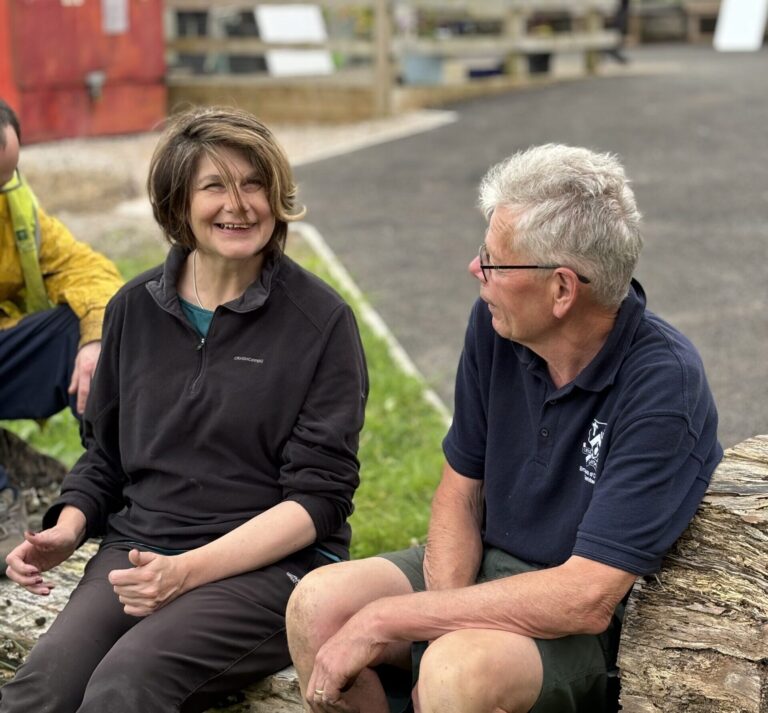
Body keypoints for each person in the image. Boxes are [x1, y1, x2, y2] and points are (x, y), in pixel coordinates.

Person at [286, 143, 722, 713]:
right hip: (486, 567)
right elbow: (459, 493)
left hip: (585, 628)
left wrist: (395, 621)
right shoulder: (499, 326)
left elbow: (585, 598)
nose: (476, 271)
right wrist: (440, 620)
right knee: (318, 605)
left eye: (494, 260)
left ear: (562, 290)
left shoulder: (664, 385)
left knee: (456, 673)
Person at [1, 106, 368, 712]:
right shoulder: (131, 310)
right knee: (41, 690)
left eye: (254, 184)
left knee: (124, 689)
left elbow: (320, 500)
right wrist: (66, 529)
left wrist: (189, 571)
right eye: (215, 186)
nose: (240, 204)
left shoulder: (321, 322)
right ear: (178, 202)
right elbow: (106, 457)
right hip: (142, 548)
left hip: (272, 569)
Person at [0, 98, 124, 562]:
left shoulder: (14, 205)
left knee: (83, 326)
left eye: (5, 176)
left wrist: (94, 340)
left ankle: (116, 482)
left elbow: (88, 269)